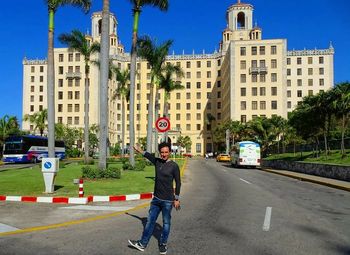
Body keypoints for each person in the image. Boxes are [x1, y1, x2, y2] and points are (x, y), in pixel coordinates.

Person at [128, 142, 181, 255]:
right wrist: (139, 150)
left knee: (166, 223)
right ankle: (142, 244)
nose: (164, 154)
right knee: (150, 221)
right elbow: (147, 155)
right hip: (156, 199)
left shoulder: (174, 166)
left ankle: (163, 244)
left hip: (167, 201)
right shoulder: (157, 162)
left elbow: (178, 182)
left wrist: (176, 199)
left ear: (170, 152)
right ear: (159, 153)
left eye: (166, 152)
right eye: (162, 152)